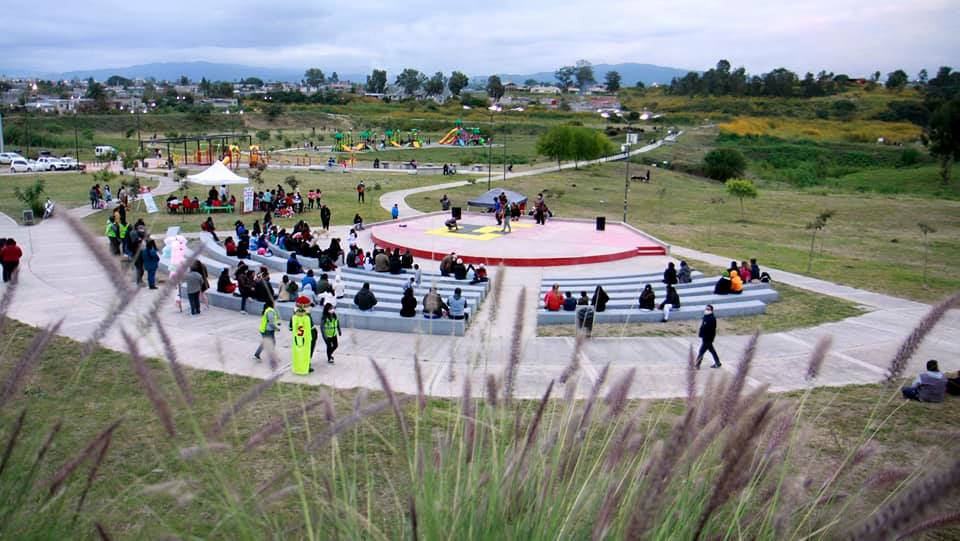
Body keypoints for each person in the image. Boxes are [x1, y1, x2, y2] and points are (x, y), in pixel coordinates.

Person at [289, 296, 316, 374]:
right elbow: (311, 327)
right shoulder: (307, 317)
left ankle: (298, 367)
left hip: (297, 338)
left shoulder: (294, 316)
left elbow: (290, 328)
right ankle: (306, 366)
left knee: (297, 353)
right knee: (307, 352)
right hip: (308, 337)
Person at [695, 305, 721, 369]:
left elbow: (711, 330)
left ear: (711, 310)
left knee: (701, 351)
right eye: (706, 309)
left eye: (708, 309)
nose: (706, 310)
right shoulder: (706, 317)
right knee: (712, 350)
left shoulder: (711, 318)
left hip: (708, 338)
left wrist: (707, 337)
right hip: (705, 337)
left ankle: (697, 364)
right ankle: (717, 362)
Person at [253, 298, 279, 362]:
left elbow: (270, 320)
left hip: (265, 329)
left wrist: (277, 323)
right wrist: (276, 328)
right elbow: (271, 323)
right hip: (268, 331)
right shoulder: (270, 311)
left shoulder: (268, 310)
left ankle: (257, 354)